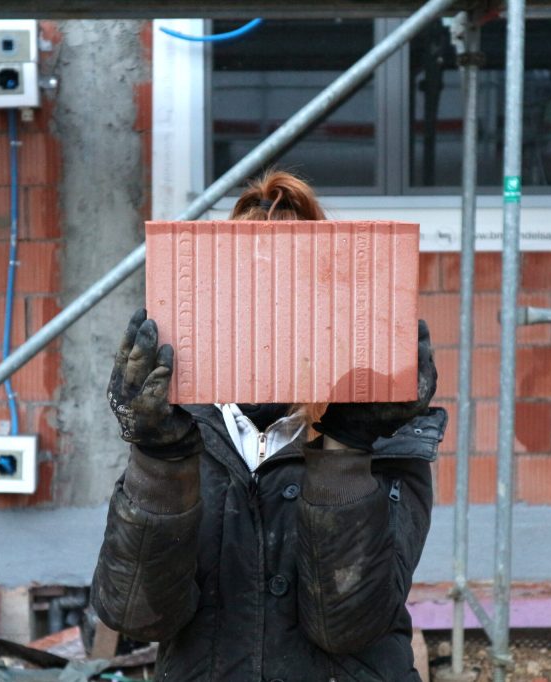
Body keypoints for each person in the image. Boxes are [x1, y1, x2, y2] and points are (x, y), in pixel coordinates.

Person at [91, 171, 446, 681]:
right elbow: (137, 615)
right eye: (248, 292)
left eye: (294, 292)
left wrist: (346, 444)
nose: (271, 315)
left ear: (333, 305)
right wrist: (159, 461)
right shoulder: (181, 430)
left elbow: (346, 624)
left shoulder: (388, 434)